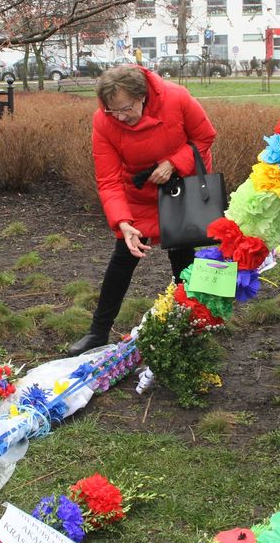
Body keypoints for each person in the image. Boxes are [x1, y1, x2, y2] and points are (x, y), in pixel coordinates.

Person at [68, 64, 216, 355]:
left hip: (181, 187)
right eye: (113, 111)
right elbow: (108, 179)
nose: (120, 117)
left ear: (142, 97)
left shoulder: (177, 98)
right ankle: (98, 332)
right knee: (123, 258)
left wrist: (173, 163)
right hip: (137, 191)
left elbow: (205, 136)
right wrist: (122, 222)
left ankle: (193, 324)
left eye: (125, 109)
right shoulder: (104, 120)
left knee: (183, 256)